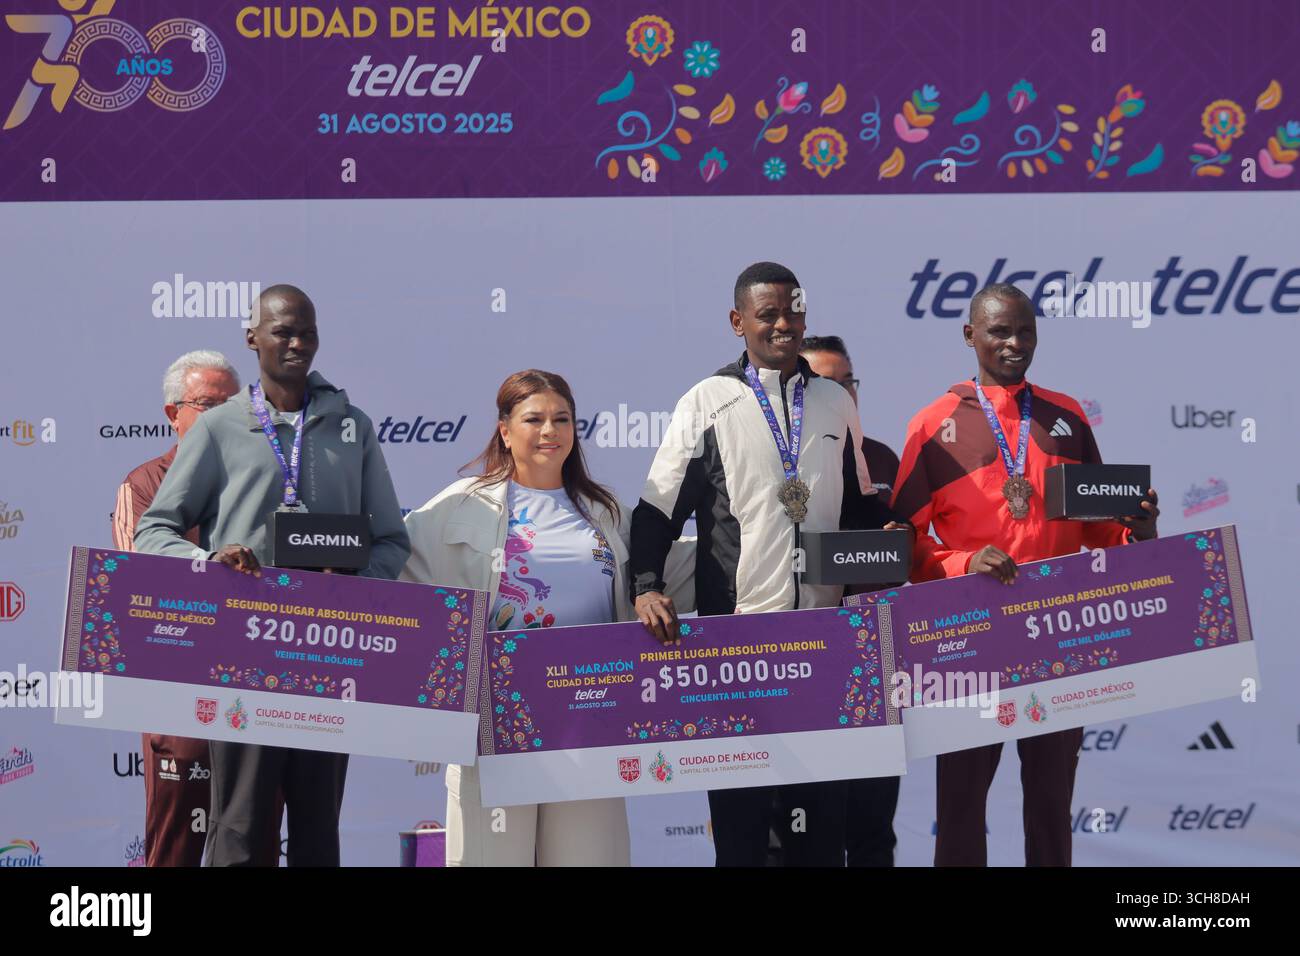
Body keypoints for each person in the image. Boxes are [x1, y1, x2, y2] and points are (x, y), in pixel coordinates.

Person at [630, 261, 910, 867]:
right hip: (738, 645)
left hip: (824, 643)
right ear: (738, 323)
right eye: (768, 314)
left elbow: (858, 504)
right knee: (742, 836)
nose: (785, 324)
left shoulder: (836, 401)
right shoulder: (706, 401)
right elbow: (656, 512)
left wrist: (883, 531)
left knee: (816, 834)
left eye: (794, 311)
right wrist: (646, 586)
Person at [134, 285, 410, 866]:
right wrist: (208, 562)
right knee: (239, 828)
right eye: (282, 331)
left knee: (317, 831)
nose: (296, 343)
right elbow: (154, 531)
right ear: (252, 338)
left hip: (327, 655)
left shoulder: (351, 425)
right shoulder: (218, 428)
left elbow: (390, 539)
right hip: (243, 657)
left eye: (306, 332)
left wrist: (356, 584)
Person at [891, 282, 1159, 867]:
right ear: (970, 336)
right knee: (960, 809)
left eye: (1026, 331)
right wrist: (965, 562)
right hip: (969, 641)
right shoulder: (932, 426)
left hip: (1057, 636)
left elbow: (1097, 530)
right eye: (999, 331)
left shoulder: (1067, 416)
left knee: (1050, 806)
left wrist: (1135, 532)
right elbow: (905, 551)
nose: (1015, 343)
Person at [400, 369, 694, 866]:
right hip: (494, 722)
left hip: (591, 719)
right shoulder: (460, 506)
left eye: (561, 419)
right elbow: (393, 565)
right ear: (505, 429)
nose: (549, 430)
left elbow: (684, 569)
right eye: (533, 419)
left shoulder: (605, 513)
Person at [111, 350, 248, 867]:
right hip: (177, 682)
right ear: (174, 413)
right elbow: (141, 585)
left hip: (258, 683)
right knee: (177, 842)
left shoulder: (262, 478)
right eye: (206, 405)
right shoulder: (144, 484)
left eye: (233, 406)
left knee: (252, 837)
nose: (222, 418)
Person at [799, 334, 901, 867]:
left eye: (847, 382)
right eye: (824, 382)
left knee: (872, 827)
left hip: (873, 664)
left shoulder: (883, 457)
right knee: (806, 830)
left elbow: (913, 552)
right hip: (804, 663)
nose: (840, 393)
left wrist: (896, 537)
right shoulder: (782, 460)